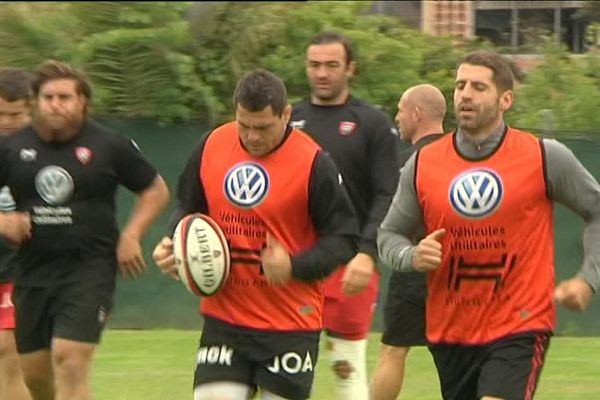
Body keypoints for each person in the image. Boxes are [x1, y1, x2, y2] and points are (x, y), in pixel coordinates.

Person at [378, 49, 600, 400]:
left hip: (520, 322)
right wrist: (412, 256)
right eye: (460, 85)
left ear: (505, 99)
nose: (465, 94)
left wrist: (587, 279)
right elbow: (388, 235)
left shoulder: (544, 156)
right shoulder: (423, 163)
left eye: (479, 87)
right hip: (451, 329)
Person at [152, 69, 359, 400]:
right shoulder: (211, 145)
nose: (252, 137)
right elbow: (188, 208)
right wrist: (175, 242)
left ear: (286, 115)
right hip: (225, 320)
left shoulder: (312, 162)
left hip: (290, 324)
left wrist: (294, 265)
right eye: (244, 125)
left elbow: (345, 238)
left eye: (263, 127)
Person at [0, 60, 170, 400]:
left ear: (83, 103)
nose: (55, 104)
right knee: (35, 377)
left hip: (89, 271)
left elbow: (155, 190)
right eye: (48, 97)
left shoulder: (109, 145)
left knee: (70, 360)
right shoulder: (12, 147)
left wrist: (132, 234)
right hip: (32, 273)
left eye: (64, 97)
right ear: (37, 101)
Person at [290, 31, 400, 400]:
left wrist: (367, 253)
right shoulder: (288, 120)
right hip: (295, 262)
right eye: (314, 65)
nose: (322, 73)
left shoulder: (372, 123)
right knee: (281, 368)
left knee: (345, 367)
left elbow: (388, 192)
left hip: (350, 264)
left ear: (350, 69)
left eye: (331, 65)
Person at [370, 84, 446, 400]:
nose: (397, 117)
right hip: (456, 270)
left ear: (416, 114)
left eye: (401, 110)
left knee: (393, 352)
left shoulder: (406, 163)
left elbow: (391, 221)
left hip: (413, 267)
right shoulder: (462, 154)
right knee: (459, 356)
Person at [0, 68, 34, 400]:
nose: (8, 122)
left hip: (20, 271)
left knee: (10, 352)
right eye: (1, 114)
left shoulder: (44, 149)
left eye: (16, 114)